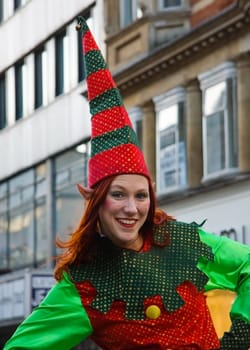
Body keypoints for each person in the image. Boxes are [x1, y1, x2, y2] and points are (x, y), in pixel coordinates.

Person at [4, 16, 250, 350]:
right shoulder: (83, 286)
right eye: (118, 194)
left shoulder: (183, 242)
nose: (132, 208)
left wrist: (239, 338)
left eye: (141, 195)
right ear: (97, 201)